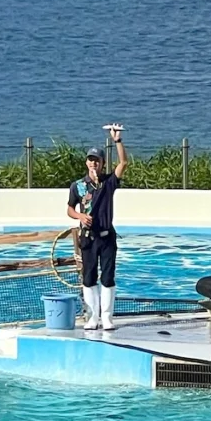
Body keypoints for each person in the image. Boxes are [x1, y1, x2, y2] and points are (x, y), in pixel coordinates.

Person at [67, 125, 128, 329]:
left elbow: (124, 163)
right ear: (87, 162)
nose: (94, 163)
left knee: (108, 276)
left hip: (107, 237)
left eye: (98, 160)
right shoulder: (78, 186)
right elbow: (69, 209)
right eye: (91, 159)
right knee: (89, 276)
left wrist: (117, 140)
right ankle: (93, 317)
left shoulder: (108, 182)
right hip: (88, 238)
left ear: (102, 163)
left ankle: (107, 317)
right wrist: (80, 216)